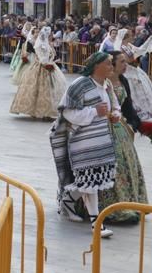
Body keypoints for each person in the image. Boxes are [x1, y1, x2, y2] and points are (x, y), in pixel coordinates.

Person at [67, 51, 150, 224]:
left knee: (113, 169)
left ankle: (115, 208)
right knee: (94, 172)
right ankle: (89, 210)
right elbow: (68, 111)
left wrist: (120, 116)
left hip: (115, 131)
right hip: (93, 133)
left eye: (116, 63)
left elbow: (120, 105)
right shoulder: (83, 84)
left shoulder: (113, 83)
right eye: (115, 62)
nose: (119, 66)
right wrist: (94, 113)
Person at [49, 51, 119, 238]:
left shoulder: (106, 85)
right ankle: (97, 224)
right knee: (90, 183)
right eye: (108, 64)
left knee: (92, 181)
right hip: (82, 142)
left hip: (101, 141)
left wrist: (115, 114)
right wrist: (94, 111)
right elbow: (68, 113)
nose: (111, 68)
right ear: (97, 66)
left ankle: (68, 199)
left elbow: (113, 105)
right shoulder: (79, 85)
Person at [10, 25, 67, 120]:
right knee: (39, 90)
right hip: (41, 67)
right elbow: (42, 57)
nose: (51, 36)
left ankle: (48, 112)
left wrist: (52, 62)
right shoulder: (40, 45)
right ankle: (40, 112)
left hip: (50, 67)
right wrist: (47, 64)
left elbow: (51, 55)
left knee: (50, 90)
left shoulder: (48, 44)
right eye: (50, 34)